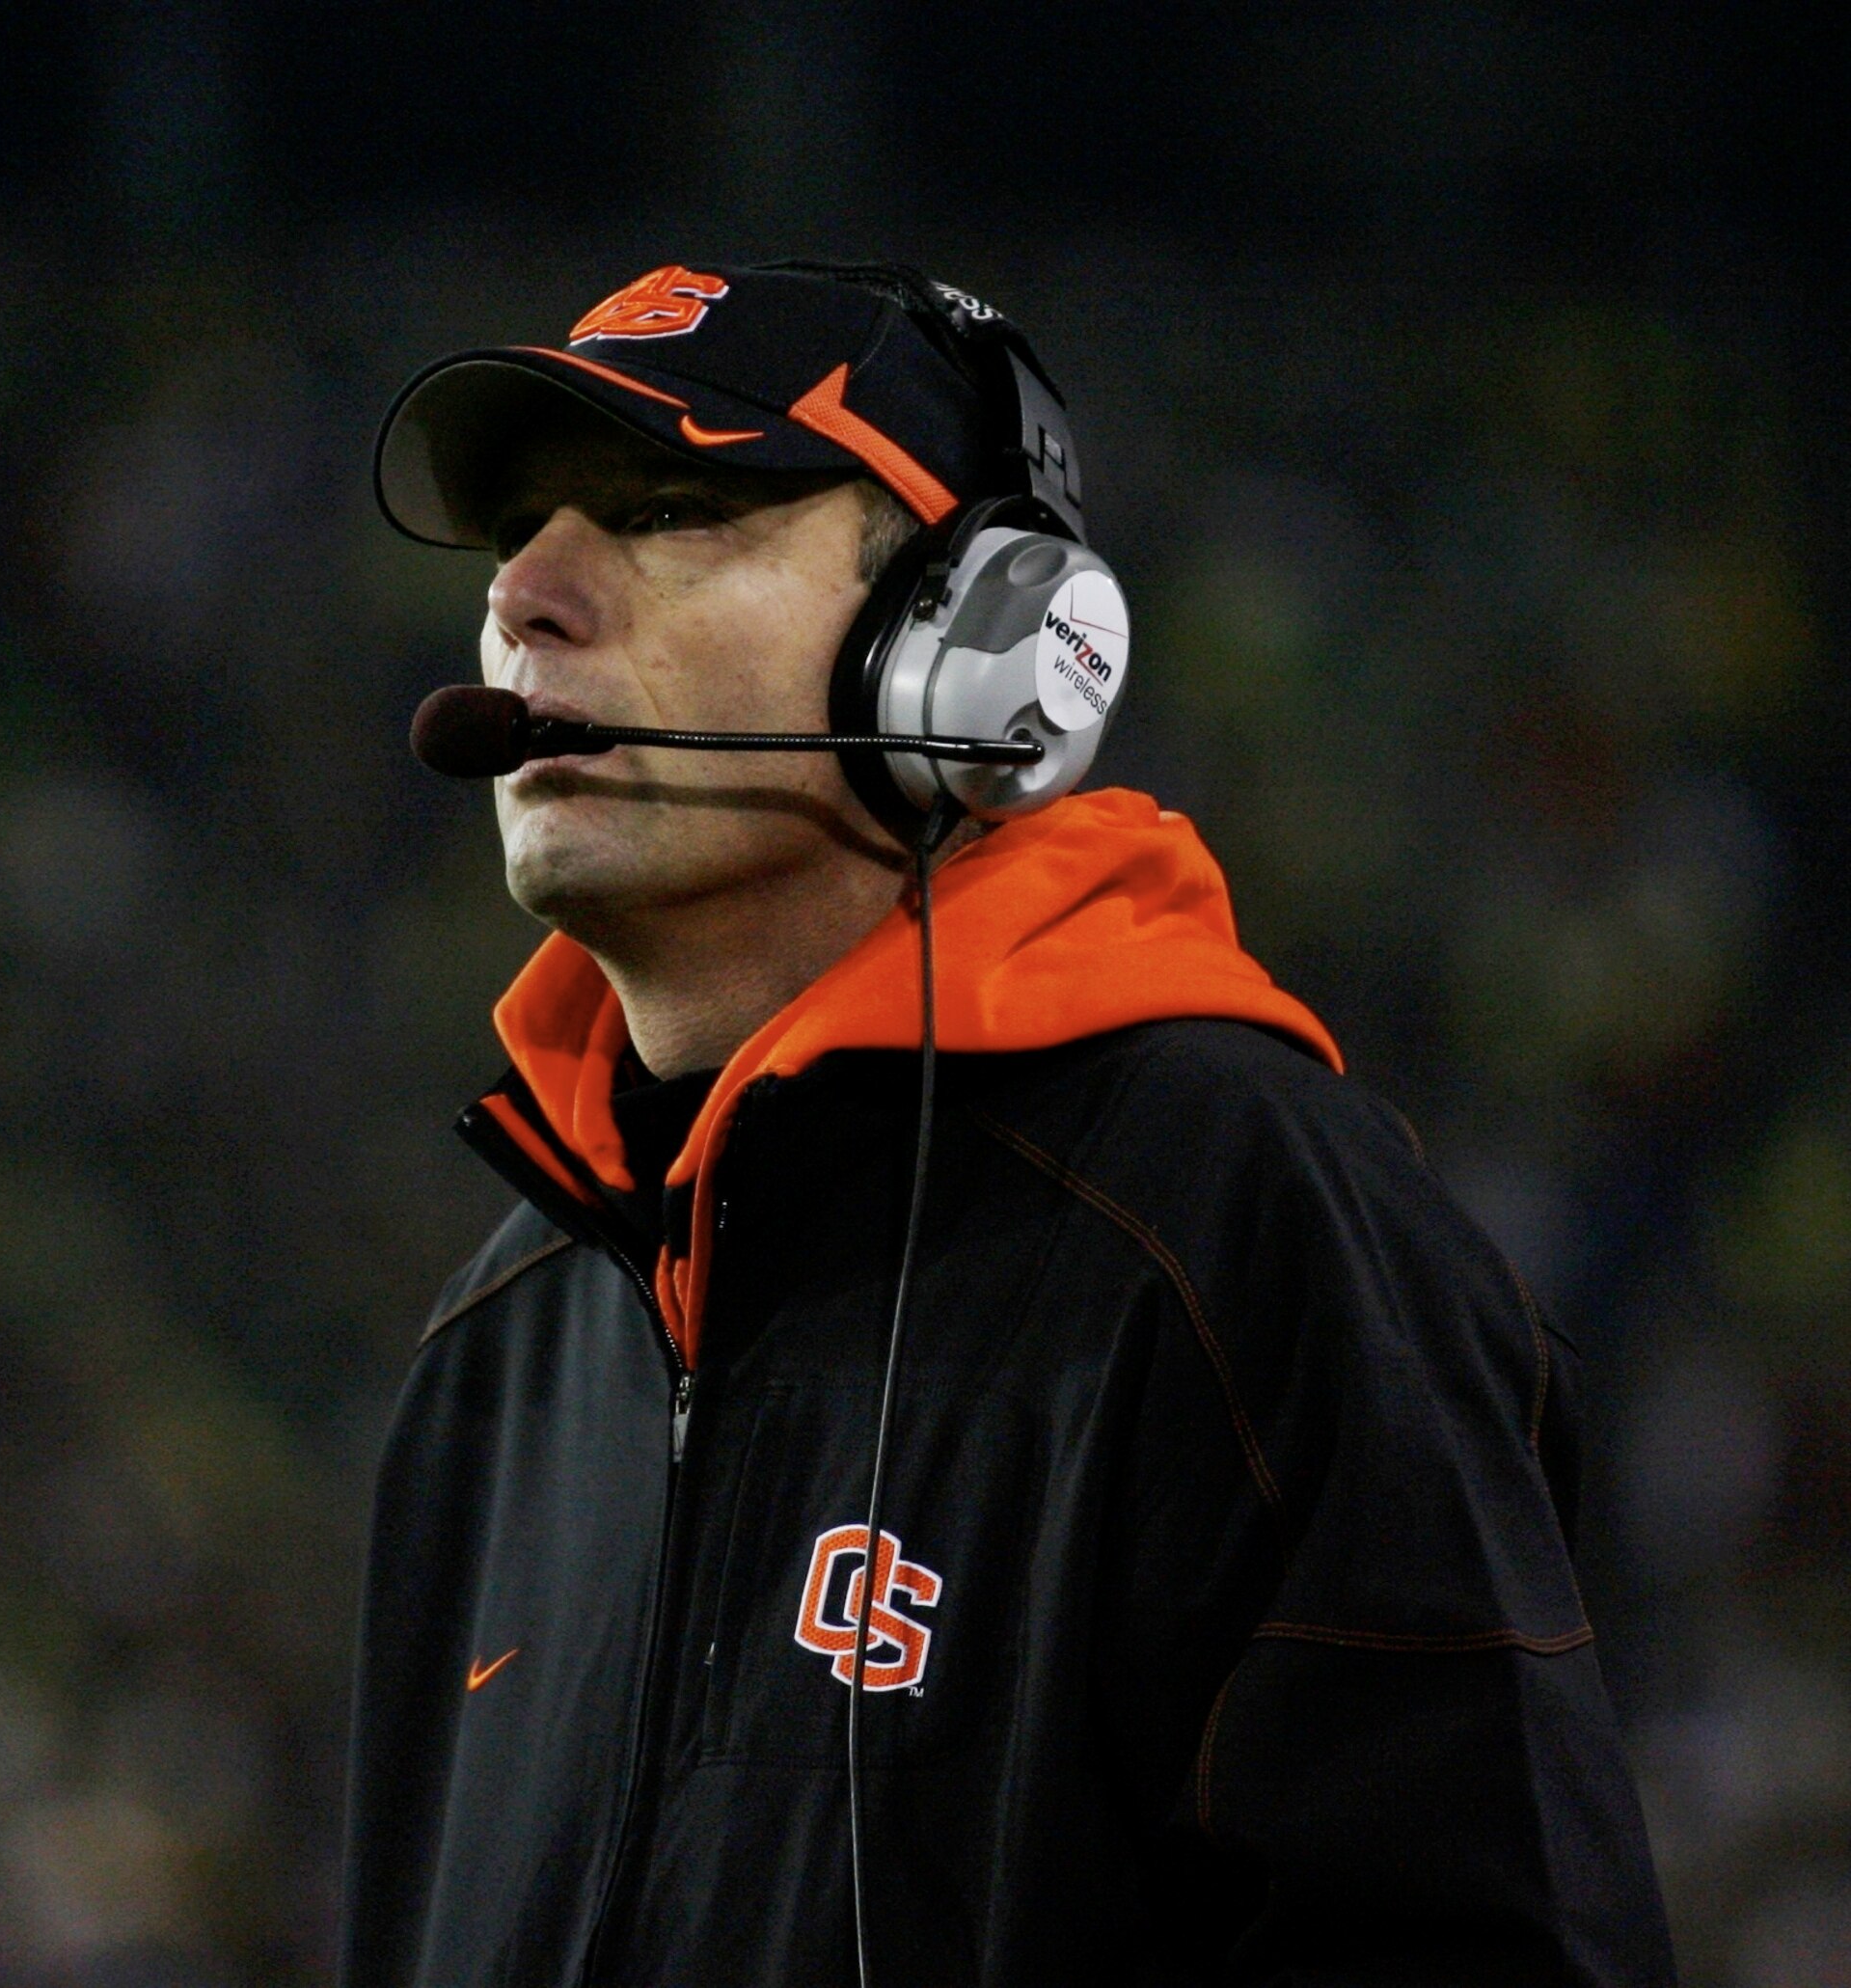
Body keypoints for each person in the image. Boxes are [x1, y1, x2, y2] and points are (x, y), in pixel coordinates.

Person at [340, 260, 1676, 1985]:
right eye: (519, 530)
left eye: (671, 507)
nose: (524, 593)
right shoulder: (494, 1340)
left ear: (978, 642)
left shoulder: (1245, 1225)